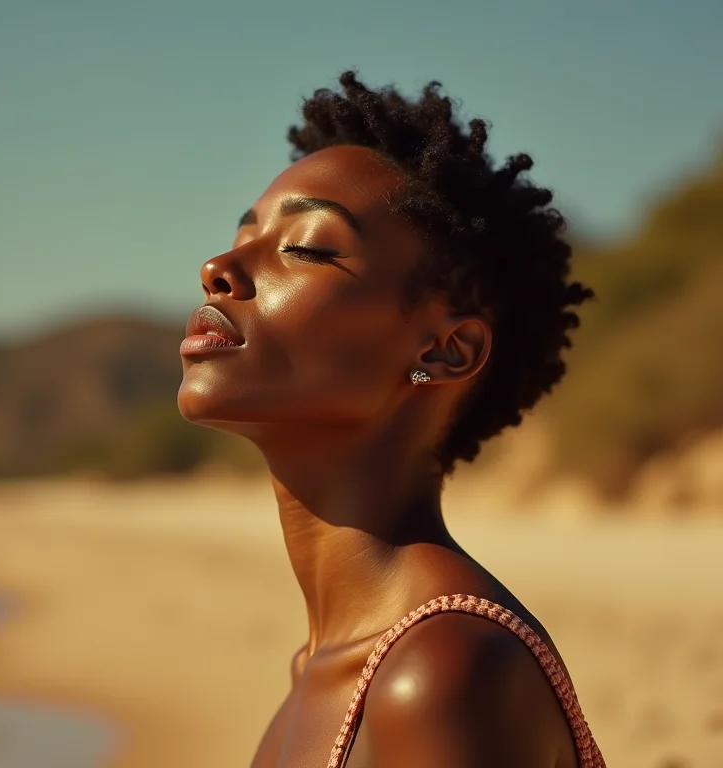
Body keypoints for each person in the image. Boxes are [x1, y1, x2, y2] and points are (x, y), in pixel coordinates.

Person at [177, 71, 606, 768]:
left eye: (309, 248)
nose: (218, 268)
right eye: (241, 236)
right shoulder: (325, 667)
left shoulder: (440, 671)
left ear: (443, 353)